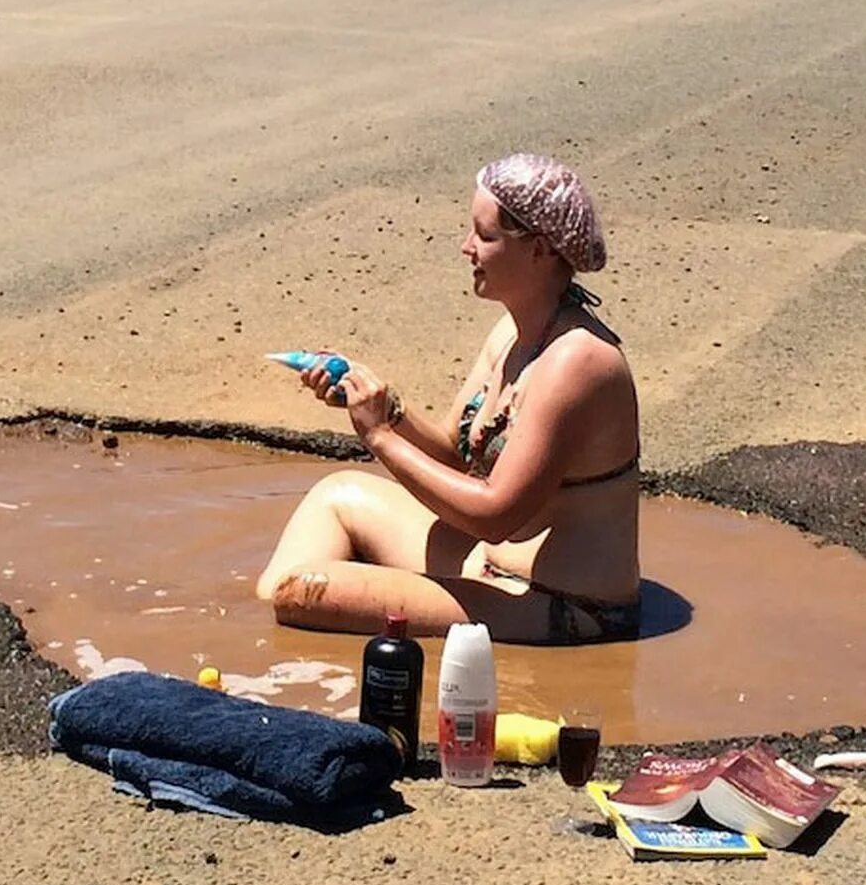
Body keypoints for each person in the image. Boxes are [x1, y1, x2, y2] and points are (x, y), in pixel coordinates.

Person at [255, 154, 641, 643]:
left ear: (540, 250)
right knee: (336, 496)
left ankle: (266, 654)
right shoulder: (512, 332)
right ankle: (249, 652)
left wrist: (379, 438)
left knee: (302, 592)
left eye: (484, 235)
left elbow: (496, 516)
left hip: (560, 607)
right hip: (486, 565)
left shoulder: (578, 362)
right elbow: (458, 461)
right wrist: (379, 402)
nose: (466, 247)